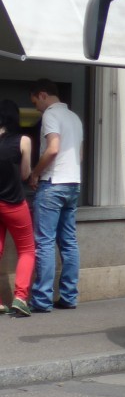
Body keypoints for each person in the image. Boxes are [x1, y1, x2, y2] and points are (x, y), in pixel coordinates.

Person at [26, 78, 84, 313]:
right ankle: (69, 296)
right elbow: (79, 156)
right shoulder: (74, 118)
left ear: (42, 95)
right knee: (69, 242)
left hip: (53, 183)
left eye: (35, 103)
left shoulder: (51, 115)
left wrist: (35, 173)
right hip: (73, 183)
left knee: (45, 242)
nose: (36, 108)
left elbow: (53, 148)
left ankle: (41, 300)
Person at [0, 99, 35, 316]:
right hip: (14, 203)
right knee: (27, 249)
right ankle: (20, 298)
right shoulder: (23, 140)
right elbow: (25, 174)